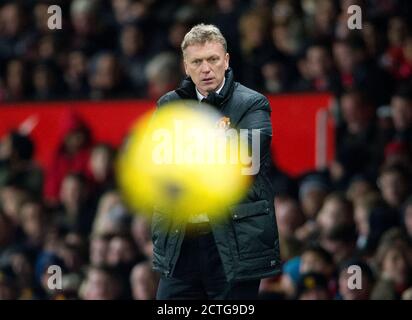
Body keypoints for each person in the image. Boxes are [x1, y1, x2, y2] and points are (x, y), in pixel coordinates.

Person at [153, 24, 280, 300]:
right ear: (186, 66)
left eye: (212, 59)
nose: (206, 68)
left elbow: (246, 163)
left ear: (226, 60)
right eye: (197, 62)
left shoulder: (252, 104)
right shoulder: (168, 105)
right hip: (181, 241)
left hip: (233, 242)